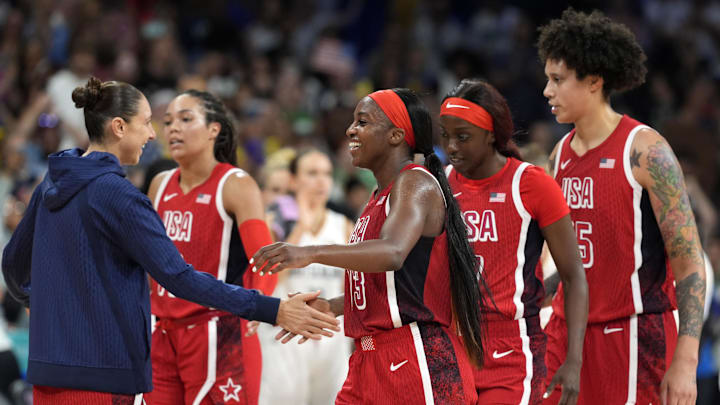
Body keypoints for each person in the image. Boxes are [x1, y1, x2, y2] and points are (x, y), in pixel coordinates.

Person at [1, 77, 340, 405]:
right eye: (151, 122)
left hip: (57, 366)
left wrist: (47, 306)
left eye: (182, 119)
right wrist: (273, 309)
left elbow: (13, 265)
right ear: (119, 127)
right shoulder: (130, 192)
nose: (157, 133)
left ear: (214, 130)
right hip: (116, 363)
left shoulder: (51, 183)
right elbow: (176, 276)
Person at [252, 88, 488, 404]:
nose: (351, 130)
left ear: (395, 135)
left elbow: (392, 253)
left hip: (414, 356)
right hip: (367, 357)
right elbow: (392, 288)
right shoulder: (377, 198)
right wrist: (333, 307)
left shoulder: (415, 182)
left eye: (362, 122)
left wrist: (309, 252)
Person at [537, 9, 706, 405]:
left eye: (558, 80)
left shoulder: (646, 151)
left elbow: (688, 262)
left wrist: (686, 357)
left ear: (594, 81)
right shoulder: (558, 157)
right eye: (547, 79)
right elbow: (573, 264)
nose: (547, 90)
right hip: (566, 335)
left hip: (631, 333)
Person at [439, 78, 588, 405]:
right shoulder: (440, 185)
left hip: (511, 347)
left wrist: (574, 360)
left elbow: (574, 274)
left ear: (491, 133)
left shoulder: (531, 184)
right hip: (452, 344)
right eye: (446, 136)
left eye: (463, 137)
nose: (451, 147)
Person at [144, 90, 279, 405]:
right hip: (163, 333)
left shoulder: (235, 184)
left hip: (218, 331)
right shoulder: (159, 184)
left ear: (213, 130)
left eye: (186, 119)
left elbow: (265, 257)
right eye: (168, 122)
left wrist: (256, 306)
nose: (173, 128)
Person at [255, 149, 354, 405]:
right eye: (311, 173)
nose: (321, 181)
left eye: (327, 174)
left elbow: (353, 289)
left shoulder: (344, 226)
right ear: (293, 180)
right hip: (283, 338)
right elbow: (266, 282)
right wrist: (299, 229)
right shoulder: (272, 223)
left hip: (331, 339)